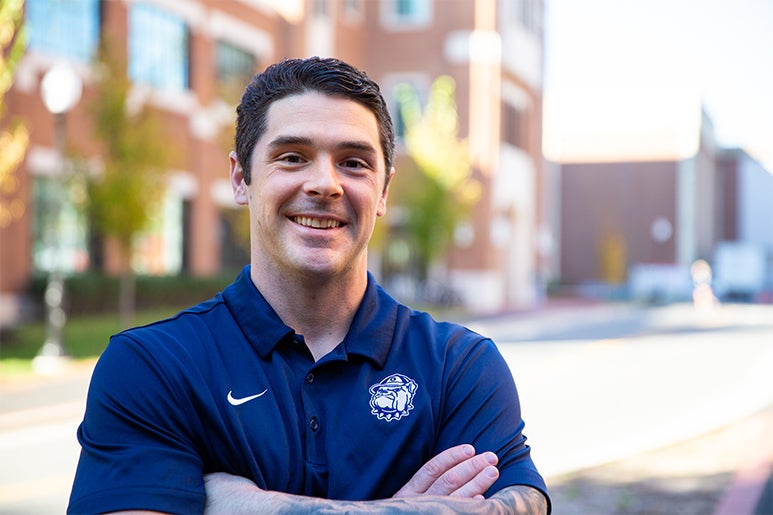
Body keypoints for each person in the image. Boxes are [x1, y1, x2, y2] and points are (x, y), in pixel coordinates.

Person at [68, 56, 550, 514]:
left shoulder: (459, 368)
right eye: (293, 157)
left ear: (383, 191)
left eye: (354, 163)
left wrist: (252, 507)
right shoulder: (152, 367)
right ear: (241, 178)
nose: (325, 184)